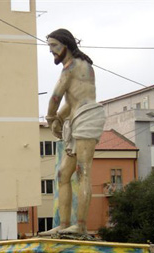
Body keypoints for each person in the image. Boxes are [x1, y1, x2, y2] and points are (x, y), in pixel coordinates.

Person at [39, 28, 106, 236]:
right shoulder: (82, 66)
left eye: (53, 46)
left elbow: (55, 98)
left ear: (65, 45)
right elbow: (72, 101)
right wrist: (59, 118)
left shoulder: (71, 67)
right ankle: (64, 224)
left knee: (83, 172)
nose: (51, 51)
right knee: (63, 174)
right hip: (77, 118)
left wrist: (51, 119)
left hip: (87, 117)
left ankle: (81, 225)